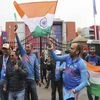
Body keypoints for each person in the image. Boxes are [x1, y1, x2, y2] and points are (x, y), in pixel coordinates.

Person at [14, 25, 40, 100]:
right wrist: (16, 34)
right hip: (24, 80)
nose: (26, 48)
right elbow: (19, 44)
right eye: (26, 47)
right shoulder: (23, 53)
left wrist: (38, 79)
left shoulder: (34, 57)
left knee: (34, 97)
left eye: (28, 47)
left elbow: (36, 68)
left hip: (32, 80)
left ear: (32, 48)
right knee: (25, 98)